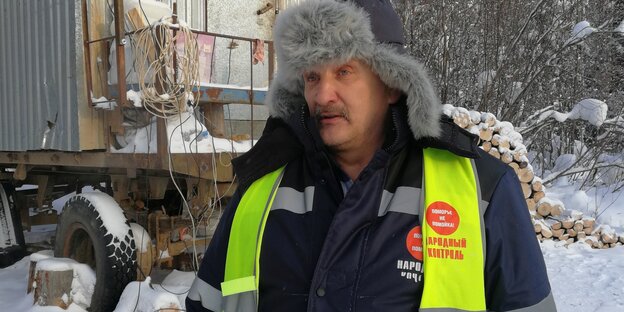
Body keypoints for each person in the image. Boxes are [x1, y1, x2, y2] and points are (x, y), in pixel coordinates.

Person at [186, 0, 557, 311]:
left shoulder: (483, 190)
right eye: (312, 77)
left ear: (392, 84)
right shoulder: (260, 191)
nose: (322, 95)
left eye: (344, 71)